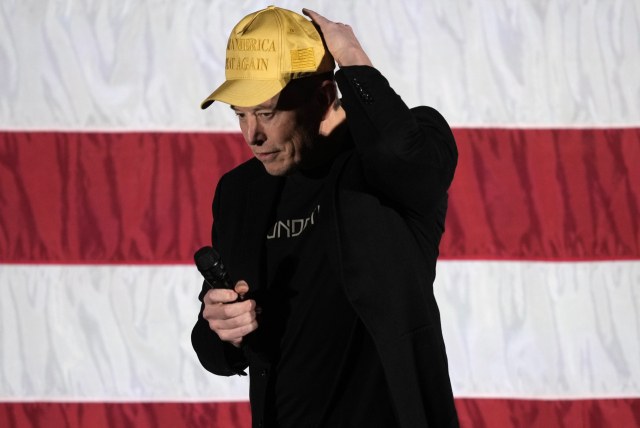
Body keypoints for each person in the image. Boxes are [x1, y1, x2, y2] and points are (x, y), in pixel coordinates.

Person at [191, 6, 459, 428]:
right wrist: (222, 329)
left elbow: (408, 163)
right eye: (240, 114)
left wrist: (351, 56)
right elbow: (216, 352)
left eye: (266, 112)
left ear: (322, 97)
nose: (252, 135)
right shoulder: (240, 191)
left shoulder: (388, 163)